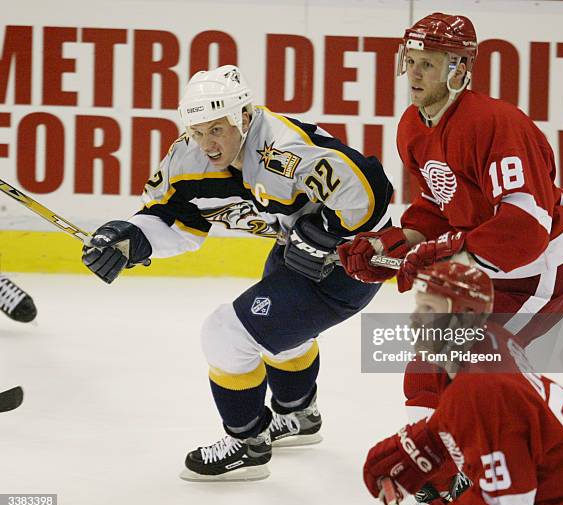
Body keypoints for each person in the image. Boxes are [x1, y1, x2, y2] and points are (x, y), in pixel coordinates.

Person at [81, 65, 394, 481]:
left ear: (244, 118)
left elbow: (369, 190)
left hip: (347, 265)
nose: (207, 144)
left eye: (217, 129)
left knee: (226, 333)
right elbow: (174, 219)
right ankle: (298, 414)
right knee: (277, 335)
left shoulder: (283, 149)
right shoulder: (189, 158)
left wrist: (324, 236)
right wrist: (127, 238)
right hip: (293, 255)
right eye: (197, 130)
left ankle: (247, 442)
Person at [338, 12, 563, 346]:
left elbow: (526, 226)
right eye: (411, 60)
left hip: (539, 271)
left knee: (473, 366)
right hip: (485, 270)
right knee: (429, 372)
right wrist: (394, 245)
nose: (413, 72)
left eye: (427, 64)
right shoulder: (413, 127)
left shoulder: (493, 124)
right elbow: (441, 205)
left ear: (458, 70)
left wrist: (447, 256)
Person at [363, 261, 563, 505]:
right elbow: (465, 413)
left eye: (429, 309)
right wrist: (421, 445)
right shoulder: (483, 344)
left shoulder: (485, 387)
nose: (416, 318)